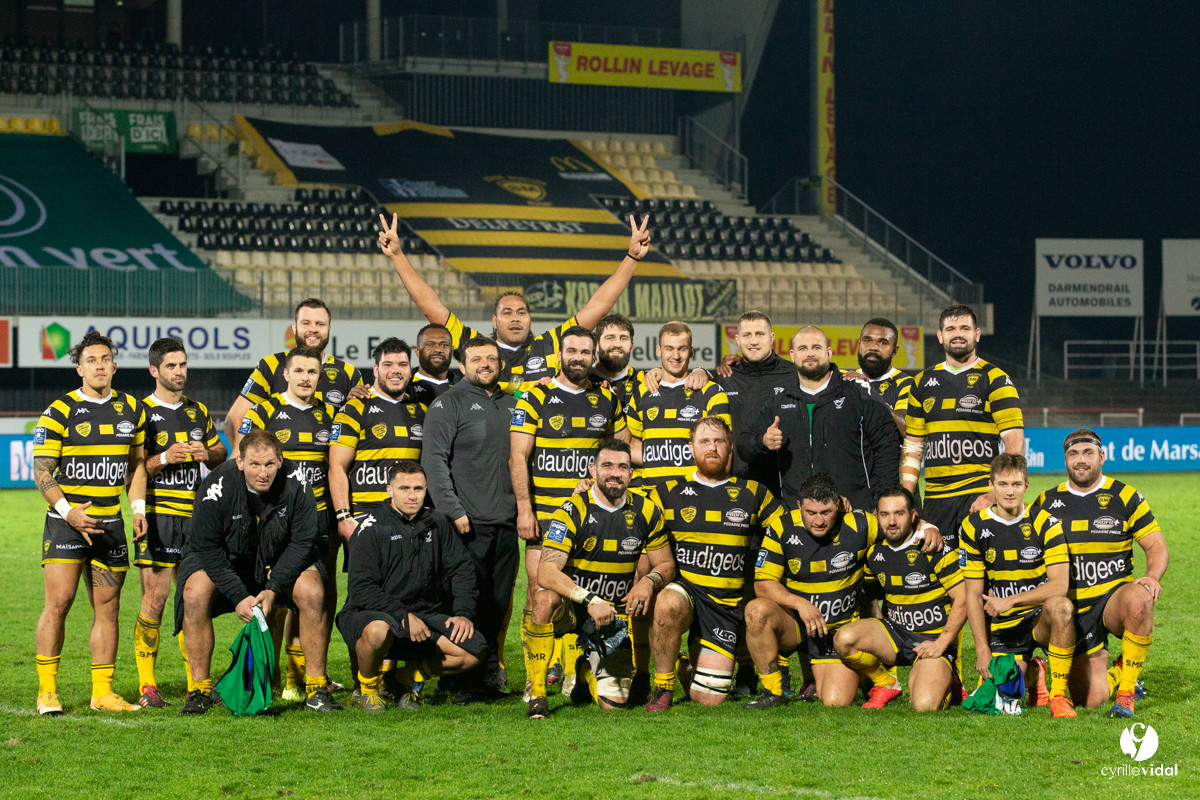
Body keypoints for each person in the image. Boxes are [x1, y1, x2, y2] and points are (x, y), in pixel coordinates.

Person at [378, 212, 650, 395]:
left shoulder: (551, 344)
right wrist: (398, 256)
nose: (516, 317)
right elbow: (431, 307)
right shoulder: (476, 347)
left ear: (530, 319)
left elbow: (598, 307)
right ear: (494, 321)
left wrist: (632, 258)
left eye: (522, 312)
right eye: (506, 313)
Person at [744, 474, 943, 709]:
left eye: (826, 512)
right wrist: (800, 604)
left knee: (835, 701)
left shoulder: (859, 525)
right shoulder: (782, 527)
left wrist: (927, 526)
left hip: (838, 633)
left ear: (838, 505)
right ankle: (773, 691)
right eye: (811, 513)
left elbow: (895, 524)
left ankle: (878, 679)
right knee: (756, 611)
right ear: (799, 506)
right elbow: (762, 584)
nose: (819, 520)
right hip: (796, 626)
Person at [174, 430, 336, 714]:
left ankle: (316, 688)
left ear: (280, 461)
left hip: (279, 557)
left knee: (313, 591)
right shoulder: (216, 485)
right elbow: (206, 547)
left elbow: (302, 542)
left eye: (270, 464)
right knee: (194, 593)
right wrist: (238, 595)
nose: (263, 473)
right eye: (255, 464)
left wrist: (273, 587)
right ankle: (199, 690)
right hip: (225, 558)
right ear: (239, 462)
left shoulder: (297, 481)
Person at [32, 331, 148, 715]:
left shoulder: (133, 410)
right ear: (79, 369)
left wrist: (137, 508)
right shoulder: (59, 411)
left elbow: (137, 466)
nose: (99, 366)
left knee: (109, 608)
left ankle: (102, 692)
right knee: (59, 603)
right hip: (66, 522)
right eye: (91, 360)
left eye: (105, 359)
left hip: (110, 523)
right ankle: (47, 691)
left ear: (114, 366)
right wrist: (69, 512)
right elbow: (42, 471)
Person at [510, 326, 628, 696]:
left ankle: (572, 670)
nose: (578, 357)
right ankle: (536, 675)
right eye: (571, 351)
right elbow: (518, 456)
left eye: (584, 352)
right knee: (539, 591)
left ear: (594, 357)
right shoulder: (535, 395)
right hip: (545, 513)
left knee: (581, 592)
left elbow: (620, 454)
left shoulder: (607, 398)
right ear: (559, 355)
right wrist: (524, 509)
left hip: (590, 515)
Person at [524, 439, 675, 718]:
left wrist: (649, 581)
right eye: (607, 466)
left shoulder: (646, 510)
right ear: (593, 471)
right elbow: (546, 571)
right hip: (574, 606)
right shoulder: (572, 509)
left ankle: (585, 672)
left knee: (614, 705)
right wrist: (590, 599)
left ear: (631, 473)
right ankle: (538, 695)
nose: (615, 473)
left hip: (613, 615)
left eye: (622, 467)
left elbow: (666, 564)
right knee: (543, 599)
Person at [644, 416, 783, 711]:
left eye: (719, 441)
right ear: (691, 448)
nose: (712, 448)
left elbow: (789, 530)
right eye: (705, 441)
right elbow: (629, 521)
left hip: (725, 605)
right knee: (667, 603)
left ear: (730, 448)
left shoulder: (753, 493)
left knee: (709, 698)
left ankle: (683, 663)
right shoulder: (666, 493)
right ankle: (663, 687)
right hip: (687, 593)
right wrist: (588, 491)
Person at [1031, 429, 1167, 717]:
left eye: (1088, 453)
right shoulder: (1046, 502)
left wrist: (1152, 577)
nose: (1081, 460)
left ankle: (1126, 694)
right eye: (1073, 454)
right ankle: (1118, 670)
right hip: (1071, 607)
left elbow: (1156, 545)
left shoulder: (1125, 496)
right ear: (1065, 459)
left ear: (1101, 456)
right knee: (1091, 699)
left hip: (1112, 598)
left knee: (1140, 599)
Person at [336, 461, 486, 713]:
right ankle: (368, 689)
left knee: (473, 650)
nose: (412, 495)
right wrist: (403, 616)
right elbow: (362, 589)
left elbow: (461, 569)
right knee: (378, 630)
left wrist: (462, 613)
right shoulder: (371, 528)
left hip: (422, 616)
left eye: (418, 488)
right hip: (371, 615)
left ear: (426, 489)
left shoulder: (437, 522)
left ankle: (401, 679)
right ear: (389, 490)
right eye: (404, 488)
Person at [236, 346, 339, 700]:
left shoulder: (331, 415)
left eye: (312, 372)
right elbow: (244, 461)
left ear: (320, 376)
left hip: (318, 521)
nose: (305, 378)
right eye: (299, 371)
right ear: (286, 374)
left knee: (314, 597)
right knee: (272, 598)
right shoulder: (264, 411)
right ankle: (271, 676)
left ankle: (303, 679)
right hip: (272, 522)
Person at [421, 335, 520, 702]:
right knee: (465, 604)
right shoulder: (449, 403)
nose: (485, 364)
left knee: (497, 605)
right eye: (476, 359)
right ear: (462, 366)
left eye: (491, 358)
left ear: (501, 364)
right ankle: (459, 681)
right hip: (466, 525)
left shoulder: (514, 404)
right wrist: (453, 510)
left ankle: (487, 677)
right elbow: (433, 462)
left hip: (506, 523)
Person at [134, 337, 227, 708]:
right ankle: (147, 686)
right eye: (171, 366)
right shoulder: (141, 412)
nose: (179, 372)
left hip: (196, 518)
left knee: (195, 600)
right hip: (158, 517)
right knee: (155, 599)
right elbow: (133, 469)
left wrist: (208, 452)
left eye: (183, 365)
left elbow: (221, 452)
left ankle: (197, 685)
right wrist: (164, 458)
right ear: (154, 370)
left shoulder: (197, 411)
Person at [959, 453, 1076, 718]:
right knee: (1004, 689)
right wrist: (982, 650)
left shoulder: (1045, 523)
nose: (1009, 492)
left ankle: (1058, 697)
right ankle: (1035, 671)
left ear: (1026, 486)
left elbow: (1059, 585)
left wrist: (1010, 600)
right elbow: (973, 594)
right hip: (1004, 625)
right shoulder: (973, 527)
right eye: (1003, 484)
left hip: (1040, 617)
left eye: (1016, 484)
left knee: (1061, 606)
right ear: (991, 485)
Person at [833, 485, 967, 711]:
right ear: (876, 516)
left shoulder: (933, 547)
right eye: (885, 514)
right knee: (844, 639)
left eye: (899, 513)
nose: (892, 521)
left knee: (924, 705)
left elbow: (963, 599)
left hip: (932, 639)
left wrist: (940, 644)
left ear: (914, 516)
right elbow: (867, 594)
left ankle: (950, 681)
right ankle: (886, 683)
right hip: (896, 635)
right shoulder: (875, 553)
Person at [738, 326, 899, 510]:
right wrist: (762, 441)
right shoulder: (779, 400)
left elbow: (887, 449)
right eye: (802, 348)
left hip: (853, 515)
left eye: (816, 347)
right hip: (797, 516)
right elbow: (743, 445)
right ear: (792, 355)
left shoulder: (859, 393)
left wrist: (883, 503)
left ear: (829, 353)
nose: (810, 354)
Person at [901, 304, 1023, 546]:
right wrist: (905, 498)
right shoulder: (921, 382)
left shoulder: (996, 379)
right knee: (938, 565)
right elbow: (913, 447)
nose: (958, 334)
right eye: (951, 329)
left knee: (985, 565)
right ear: (940, 336)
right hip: (936, 498)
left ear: (977, 334)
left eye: (965, 328)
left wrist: (994, 493)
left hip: (979, 495)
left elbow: (1014, 445)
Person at [223, 297, 367, 441]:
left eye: (320, 324)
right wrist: (246, 454)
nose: (313, 329)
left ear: (329, 329)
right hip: (278, 456)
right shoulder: (270, 365)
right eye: (306, 323)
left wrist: (352, 406)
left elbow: (360, 429)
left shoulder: (349, 373)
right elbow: (234, 420)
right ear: (294, 327)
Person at [627, 321, 731, 485]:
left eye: (682, 349)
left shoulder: (711, 393)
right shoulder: (642, 392)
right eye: (669, 348)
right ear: (658, 351)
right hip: (651, 493)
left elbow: (724, 451)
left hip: (695, 493)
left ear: (691, 352)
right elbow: (630, 444)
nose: (675, 356)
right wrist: (659, 461)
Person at [714, 311, 799, 493]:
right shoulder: (726, 376)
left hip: (783, 487)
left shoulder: (794, 375)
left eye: (760, 334)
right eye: (747, 335)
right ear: (737, 340)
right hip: (735, 487)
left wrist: (855, 375)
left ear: (771, 338)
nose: (753, 341)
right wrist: (700, 370)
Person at [842, 318, 915, 435]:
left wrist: (870, 394)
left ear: (895, 350)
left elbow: (908, 430)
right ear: (859, 344)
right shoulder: (845, 379)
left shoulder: (906, 383)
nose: (873, 347)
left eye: (883, 342)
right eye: (867, 340)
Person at [590, 312, 643, 411]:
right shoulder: (583, 380)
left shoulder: (643, 381)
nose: (617, 344)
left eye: (624, 338)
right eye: (610, 338)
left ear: (631, 346)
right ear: (596, 345)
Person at [407, 323, 460, 406]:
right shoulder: (404, 387)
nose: (438, 350)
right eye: (430, 345)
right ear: (417, 351)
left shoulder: (463, 388)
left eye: (444, 345)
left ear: (452, 351)